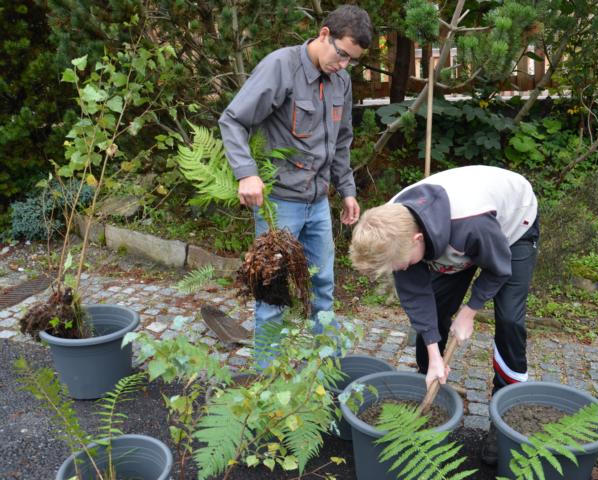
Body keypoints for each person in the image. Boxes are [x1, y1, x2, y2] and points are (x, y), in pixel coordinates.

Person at [349, 165, 539, 464]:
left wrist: (470, 311)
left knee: (509, 321)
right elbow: (417, 298)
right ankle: (430, 381)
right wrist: (435, 357)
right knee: (435, 310)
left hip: (512, 224)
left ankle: (504, 416)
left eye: (398, 264)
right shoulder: (390, 225)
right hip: (454, 237)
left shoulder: (471, 225)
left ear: (416, 240)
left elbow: (499, 268)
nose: (399, 270)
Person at [219, 5, 373, 368]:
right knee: (271, 296)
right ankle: (267, 379)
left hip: (318, 204)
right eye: (342, 54)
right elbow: (233, 120)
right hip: (279, 206)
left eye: (352, 60)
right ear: (324, 34)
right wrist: (246, 173)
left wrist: (347, 190)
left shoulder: (341, 81)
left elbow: (341, 142)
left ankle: (327, 374)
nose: (344, 65)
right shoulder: (280, 67)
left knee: (323, 288)